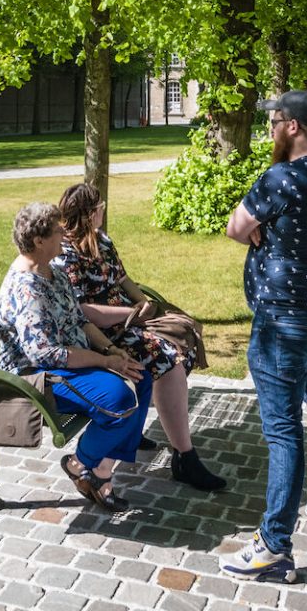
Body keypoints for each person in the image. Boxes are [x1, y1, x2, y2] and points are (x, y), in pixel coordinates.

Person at [219, 90, 307, 584]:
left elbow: (237, 227)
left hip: (282, 327)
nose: (269, 130)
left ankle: (274, 546)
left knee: (284, 433)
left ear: (293, 127)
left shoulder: (281, 178)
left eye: (273, 122)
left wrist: (259, 230)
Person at [53, 184, 227, 491]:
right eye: (101, 207)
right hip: (98, 335)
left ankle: (145, 436)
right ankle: (185, 457)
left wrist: (142, 302)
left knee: (182, 336)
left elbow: (123, 278)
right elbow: (83, 314)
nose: (104, 211)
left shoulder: (101, 241)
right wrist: (130, 313)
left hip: (126, 322)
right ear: (90, 212)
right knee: (166, 359)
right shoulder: (65, 254)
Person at [0, 201, 153, 512]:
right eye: (57, 232)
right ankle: (79, 463)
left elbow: (79, 320)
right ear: (39, 241)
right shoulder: (27, 290)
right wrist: (105, 362)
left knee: (140, 376)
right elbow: (47, 354)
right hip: (37, 377)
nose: (64, 235)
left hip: (69, 363)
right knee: (121, 400)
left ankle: (99, 472)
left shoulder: (53, 271)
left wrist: (110, 349)